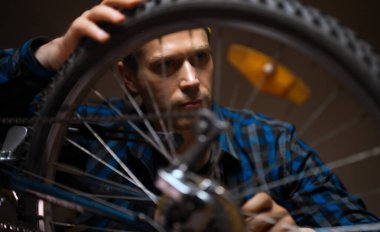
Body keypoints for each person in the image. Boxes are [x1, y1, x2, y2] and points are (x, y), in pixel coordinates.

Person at [0, 0, 379, 231]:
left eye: (201, 57)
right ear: (128, 77)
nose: (192, 80)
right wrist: (52, 55)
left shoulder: (274, 144)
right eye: (166, 65)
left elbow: (361, 227)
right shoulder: (90, 135)